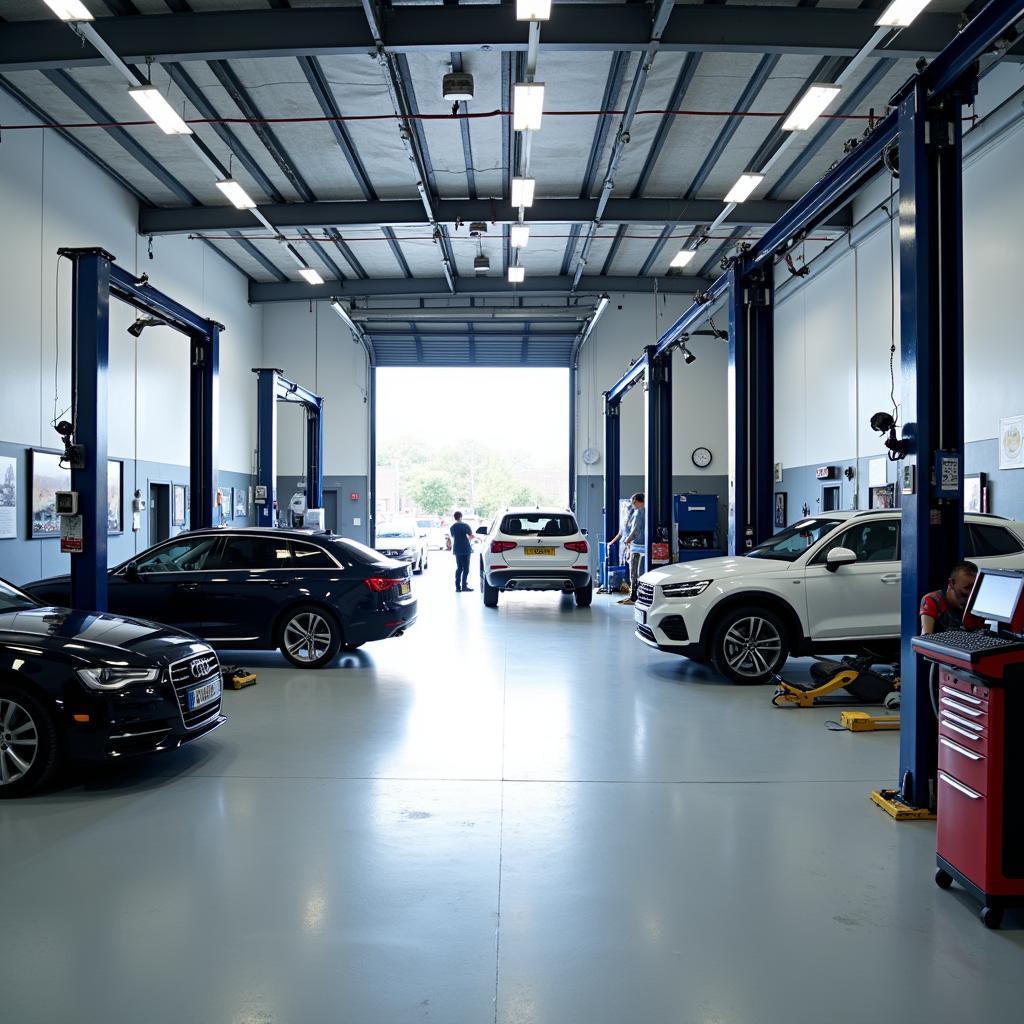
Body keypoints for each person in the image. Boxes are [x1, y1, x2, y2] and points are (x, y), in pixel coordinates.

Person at [920, 560, 978, 634]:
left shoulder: (978, 601)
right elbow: (925, 636)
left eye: (974, 588)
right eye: (967, 588)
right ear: (951, 583)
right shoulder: (933, 600)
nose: (971, 593)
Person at [618, 493, 645, 606]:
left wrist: (627, 540)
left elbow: (635, 530)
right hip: (644, 546)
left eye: (633, 502)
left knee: (633, 573)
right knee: (641, 573)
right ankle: (638, 596)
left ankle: (633, 597)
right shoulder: (647, 511)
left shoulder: (638, 512)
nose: (632, 505)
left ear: (638, 501)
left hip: (636, 546)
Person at [450, 510, 475, 593]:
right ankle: (464, 586)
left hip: (457, 549)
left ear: (455, 517)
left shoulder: (452, 527)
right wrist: (469, 538)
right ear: (461, 517)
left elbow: (453, 536)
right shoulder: (465, 525)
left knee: (459, 568)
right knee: (466, 569)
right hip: (466, 549)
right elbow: (471, 536)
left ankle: (457, 587)